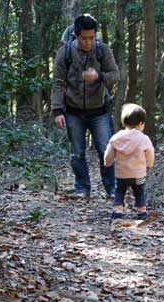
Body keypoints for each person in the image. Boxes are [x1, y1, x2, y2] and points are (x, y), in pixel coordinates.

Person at [51, 14, 120, 199]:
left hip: (99, 111)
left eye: (91, 38)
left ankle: (111, 189)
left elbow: (115, 75)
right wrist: (57, 110)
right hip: (73, 111)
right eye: (84, 38)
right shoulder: (64, 53)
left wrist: (98, 76)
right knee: (77, 154)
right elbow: (58, 82)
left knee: (106, 150)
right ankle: (82, 188)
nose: (88, 42)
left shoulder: (102, 50)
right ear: (75, 35)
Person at [103, 103, 155, 220]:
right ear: (141, 123)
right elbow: (150, 153)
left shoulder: (116, 138)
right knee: (139, 192)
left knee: (119, 192)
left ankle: (117, 212)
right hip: (138, 174)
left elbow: (108, 154)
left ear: (123, 122)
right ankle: (141, 212)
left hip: (121, 174)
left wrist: (107, 163)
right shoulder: (144, 139)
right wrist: (149, 164)